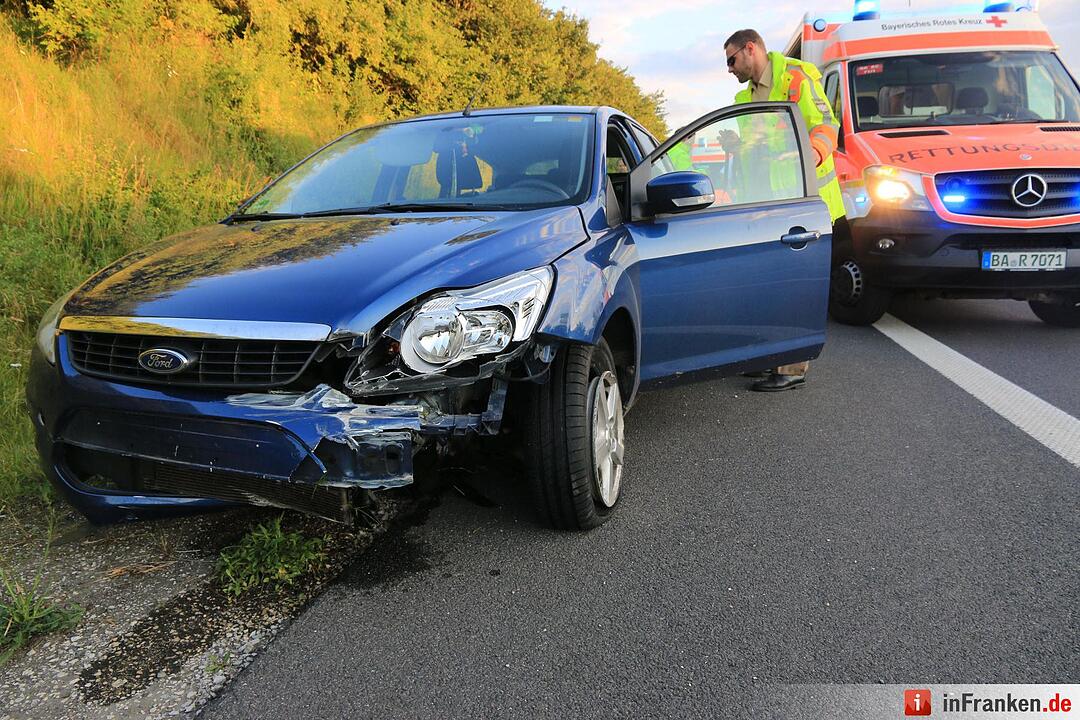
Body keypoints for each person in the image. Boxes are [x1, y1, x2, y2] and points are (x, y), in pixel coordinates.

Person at [724, 28, 846, 392]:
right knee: (770, 287)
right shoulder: (743, 97)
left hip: (805, 202)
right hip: (767, 207)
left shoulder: (796, 77)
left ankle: (791, 367)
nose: (729, 68)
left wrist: (810, 157)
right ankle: (768, 357)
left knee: (794, 288)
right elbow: (757, 153)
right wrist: (735, 148)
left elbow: (826, 125)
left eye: (731, 59)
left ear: (750, 48)